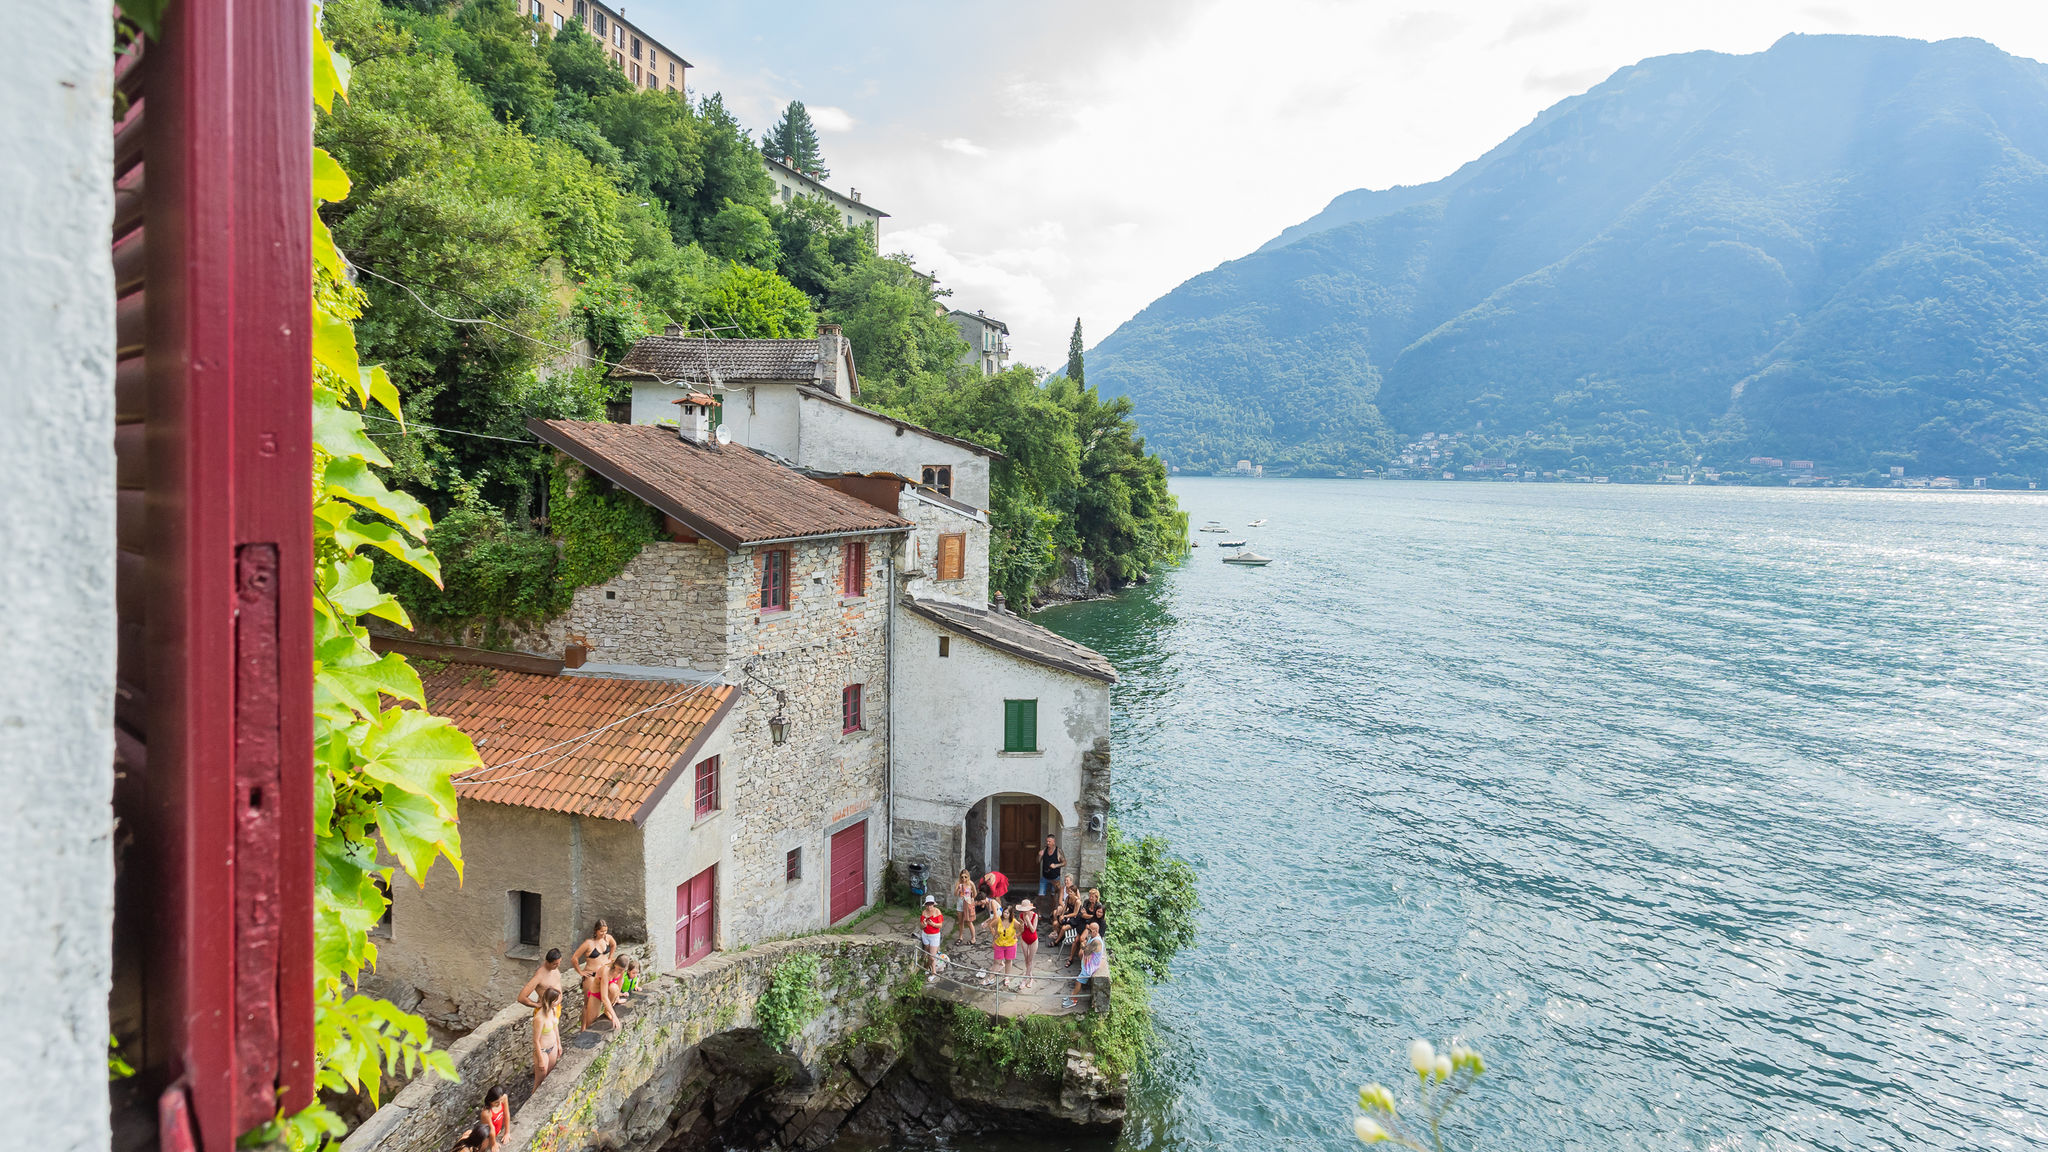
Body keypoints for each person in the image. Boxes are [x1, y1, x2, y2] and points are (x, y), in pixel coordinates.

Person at [571, 919, 619, 1032]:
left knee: (609, 993)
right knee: (588, 1004)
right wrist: (580, 972)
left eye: (605, 931)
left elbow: (614, 945)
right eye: (601, 931)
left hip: (603, 975)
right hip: (591, 976)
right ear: (596, 931)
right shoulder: (588, 943)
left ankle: (604, 1014)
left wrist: (610, 957)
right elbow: (574, 958)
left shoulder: (608, 938)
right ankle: (583, 1028)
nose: (603, 934)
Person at [1062, 935, 1106, 1010]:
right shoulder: (1093, 938)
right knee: (1078, 980)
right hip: (1087, 964)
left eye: (1090, 930)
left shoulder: (1096, 941)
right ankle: (1072, 995)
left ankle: (1073, 1000)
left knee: (1078, 981)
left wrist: (1082, 945)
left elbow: (1086, 951)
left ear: (1095, 931)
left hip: (1090, 967)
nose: (1088, 932)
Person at [532, 986, 562, 1088]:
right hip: (543, 1050)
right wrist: (540, 1059)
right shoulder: (539, 1018)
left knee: (549, 1075)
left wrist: (559, 1044)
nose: (558, 1002)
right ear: (552, 1001)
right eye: (557, 1000)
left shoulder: (553, 1010)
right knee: (539, 1081)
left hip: (552, 1046)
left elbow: (555, 1028)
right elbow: (536, 1040)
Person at [516, 947, 563, 1013]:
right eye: (555, 964)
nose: (558, 965)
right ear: (547, 962)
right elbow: (521, 998)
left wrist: (559, 999)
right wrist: (537, 1005)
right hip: (544, 1012)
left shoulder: (555, 969)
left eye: (559, 962)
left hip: (556, 1009)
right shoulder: (539, 976)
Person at [989, 903, 1019, 990]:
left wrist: (1016, 935)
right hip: (999, 943)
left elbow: (1021, 929)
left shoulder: (1014, 921)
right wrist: (994, 934)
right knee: (997, 962)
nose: (1005, 914)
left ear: (1010, 914)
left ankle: (1007, 977)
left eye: (1007, 913)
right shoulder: (998, 920)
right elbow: (991, 925)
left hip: (1010, 944)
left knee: (1008, 961)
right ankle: (991, 977)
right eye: (1004, 912)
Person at [918, 894, 945, 975]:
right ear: (926, 905)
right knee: (927, 949)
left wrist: (933, 924)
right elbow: (921, 926)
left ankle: (933, 971)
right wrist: (924, 925)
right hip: (925, 935)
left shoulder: (937, 912)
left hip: (934, 936)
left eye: (931, 904)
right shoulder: (924, 912)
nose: (929, 906)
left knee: (932, 957)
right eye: (928, 904)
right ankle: (928, 967)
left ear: (933, 904)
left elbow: (940, 925)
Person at [951, 869, 980, 945]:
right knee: (960, 921)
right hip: (960, 903)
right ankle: (960, 937)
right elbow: (955, 894)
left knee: (969, 921)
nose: (964, 879)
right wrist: (958, 888)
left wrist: (971, 898)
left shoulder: (971, 883)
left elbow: (975, 893)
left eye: (965, 877)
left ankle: (973, 938)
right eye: (962, 877)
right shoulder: (959, 883)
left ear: (968, 877)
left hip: (967, 903)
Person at [1017, 898, 1040, 984]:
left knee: (1030, 960)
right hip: (1024, 938)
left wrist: (1028, 920)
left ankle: (1025, 979)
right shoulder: (1021, 915)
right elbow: (1021, 929)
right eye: (1023, 910)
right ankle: (1030, 976)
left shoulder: (1035, 916)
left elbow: (1033, 930)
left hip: (1033, 939)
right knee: (1026, 959)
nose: (1024, 911)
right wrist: (1022, 924)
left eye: (1026, 910)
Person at [481, 1085, 510, 1149]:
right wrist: (493, 1144)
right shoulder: (486, 1113)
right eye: (496, 1102)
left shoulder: (504, 1098)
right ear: (490, 1101)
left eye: (501, 1100)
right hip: (487, 1136)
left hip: (497, 1131)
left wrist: (507, 1132)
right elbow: (491, 1129)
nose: (500, 1104)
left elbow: (506, 1114)